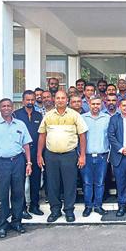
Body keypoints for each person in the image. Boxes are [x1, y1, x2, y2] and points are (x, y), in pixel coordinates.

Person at [0, 98, 33, 238]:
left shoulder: (20, 124)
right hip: (0, 163)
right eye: (3, 106)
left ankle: (17, 222)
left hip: (18, 161)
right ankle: (2, 225)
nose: (6, 108)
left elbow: (26, 145)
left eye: (9, 106)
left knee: (18, 193)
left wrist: (29, 163)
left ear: (12, 108)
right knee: (2, 194)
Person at [37, 91, 88, 223]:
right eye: (58, 98)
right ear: (55, 100)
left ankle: (69, 210)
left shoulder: (75, 115)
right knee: (52, 184)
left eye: (63, 98)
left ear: (67, 100)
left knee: (69, 184)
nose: (60, 100)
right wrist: (39, 155)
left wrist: (82, 155)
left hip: (69, 155)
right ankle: (55, 211)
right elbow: (42, 135)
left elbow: (82, 136)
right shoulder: (48, 116)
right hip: (51, 155)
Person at [12, 90, 44, 217]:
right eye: (28, 100)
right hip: (21, 153)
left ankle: (34, 206)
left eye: (32, 100)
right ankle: (22, 208)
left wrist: (40, 154)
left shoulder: (38, 115)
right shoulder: (16, 114)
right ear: (23, 101)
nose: (30, 102)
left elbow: (42, 134)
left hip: (36, 152)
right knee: (20, 182)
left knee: (35, 181)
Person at [81, 96, 111, 217]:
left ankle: (98, 205)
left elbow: (111, 137)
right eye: (93, 104)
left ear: (102, 104)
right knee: (87, 183)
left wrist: (109, 155)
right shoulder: (82, 118)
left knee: (100, 183)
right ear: (89, 104)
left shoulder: (107, 118)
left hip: (102, 156)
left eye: (98, 104)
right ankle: (88, 206)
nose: (95, 106)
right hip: (86, 156)